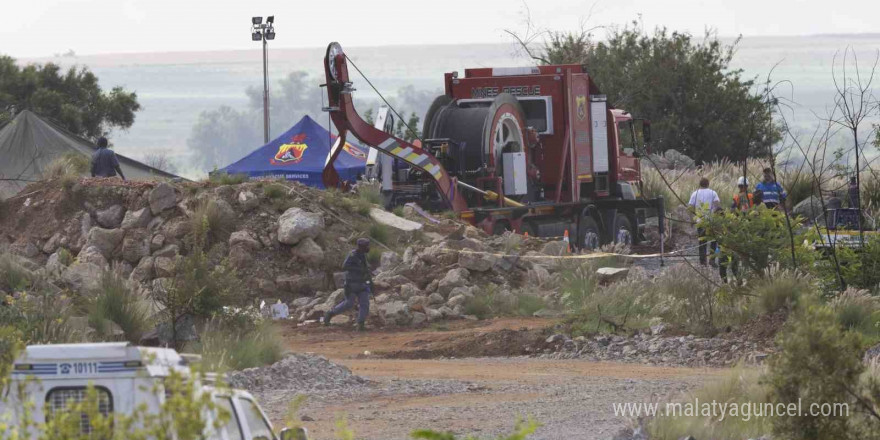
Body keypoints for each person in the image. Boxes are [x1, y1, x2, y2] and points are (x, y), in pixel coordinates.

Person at [324, 238, 373, 331]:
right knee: (348, 303)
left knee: (365, 304)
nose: (368, 248)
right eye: (366, 246)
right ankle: (330, 313)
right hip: (352, 284)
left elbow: (366, 269)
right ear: (361, 247)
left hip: (362, 283)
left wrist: (369, 281)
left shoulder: (364, 255)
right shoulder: (352, 255)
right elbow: (345, 266)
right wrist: (359, 269)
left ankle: (360, 324)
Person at [688, 177, 721, 266]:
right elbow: (717, 205)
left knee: (702, 242)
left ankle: (703, 262)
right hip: (711, 221)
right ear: (708, 184)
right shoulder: (713, 193)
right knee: (713, 241)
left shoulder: (695, 193)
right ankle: (712, 260)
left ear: (700, 184)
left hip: (700, 222)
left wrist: (692, 220)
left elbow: (690, 207)